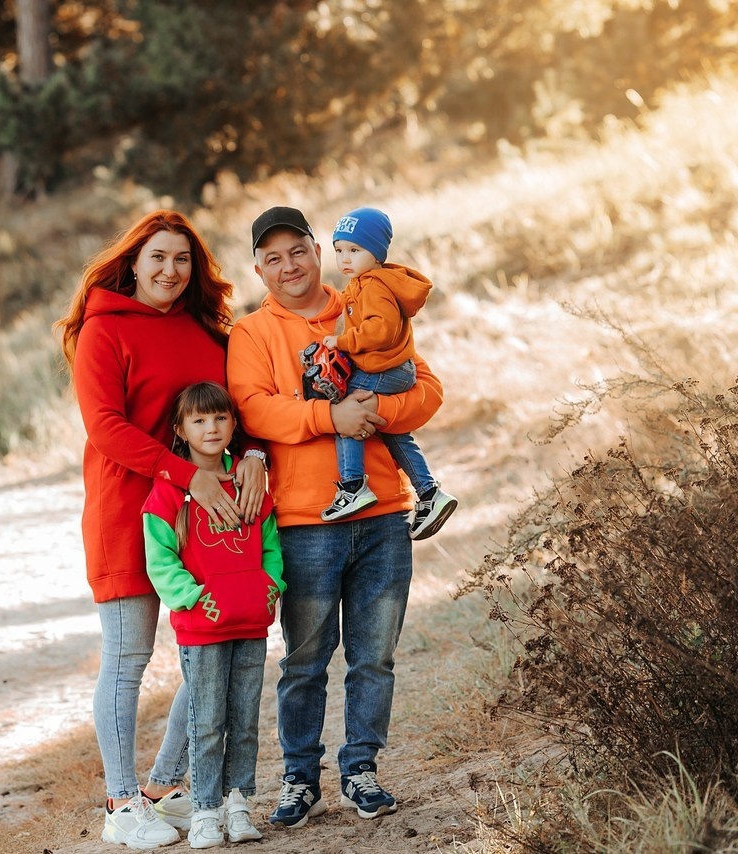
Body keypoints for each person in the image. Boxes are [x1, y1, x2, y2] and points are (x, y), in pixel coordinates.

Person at [226, 205, 444, 829]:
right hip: (304, 522)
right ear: (259, 268)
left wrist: (376, 408)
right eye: (273, 258)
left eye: (298, 251)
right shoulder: (251, 334)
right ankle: (300, 779)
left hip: (382, 513)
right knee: (304, 662)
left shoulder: (366, 302)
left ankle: (361, 770)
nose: (288, 266)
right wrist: (330, 418)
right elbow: (256, 412)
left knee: (374, 657)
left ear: (317, 251)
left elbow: (427, 389)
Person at [56, 210, 268, 849]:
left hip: (209, 517)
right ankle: (121, 804)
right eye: (158, 258)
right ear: (133, 263)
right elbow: (105, 427)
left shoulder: (208, 330)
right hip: (129, 509)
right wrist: (185, 474)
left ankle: (163, 787)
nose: (171, 271)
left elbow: (241, 404)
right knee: (127, 659)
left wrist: (253, 452)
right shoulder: (103, 331)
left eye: (183, 260)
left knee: (211, 645)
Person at [143, 382, 285, 849]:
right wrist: (191, 597)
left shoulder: (248, 480)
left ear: (233, 424)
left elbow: (269, 544)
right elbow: (160, 558)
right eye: (199, 421)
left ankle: (237, 803)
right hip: (202, 628)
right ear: (180, 431)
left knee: (244, 719)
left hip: (250, 621)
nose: (211, 428)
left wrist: (271, 587)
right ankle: (204, 811)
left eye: (220, 418)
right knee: (207, 720)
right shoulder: (169, 492)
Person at [315, 206, 458, 539]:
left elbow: (381, 330)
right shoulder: (363, 283)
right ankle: (430, 493)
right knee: (393, 432)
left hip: (386, 368)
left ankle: (353, 486)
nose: (344, 258)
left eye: (355, 250)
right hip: (392, 368)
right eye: (339, 250)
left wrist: (342, 341)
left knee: (347, 413)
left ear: (376, 253)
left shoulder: (375, 286)